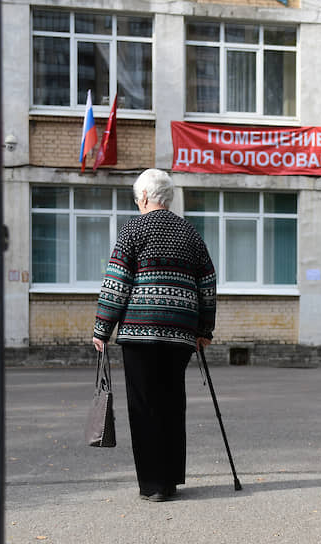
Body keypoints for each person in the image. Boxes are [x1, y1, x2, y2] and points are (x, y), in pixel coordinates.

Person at [91, 168, 216, 502]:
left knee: (144, 406)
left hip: (140, 335)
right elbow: (207, 283)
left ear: (144, 197)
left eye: (137, 199)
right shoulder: (190, 232)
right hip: (179, 335)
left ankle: (153, 485)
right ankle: (171, 479)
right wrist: (205, 330)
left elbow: (117, 282)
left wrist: (102, 327)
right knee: (172, 403)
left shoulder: (134, 228)